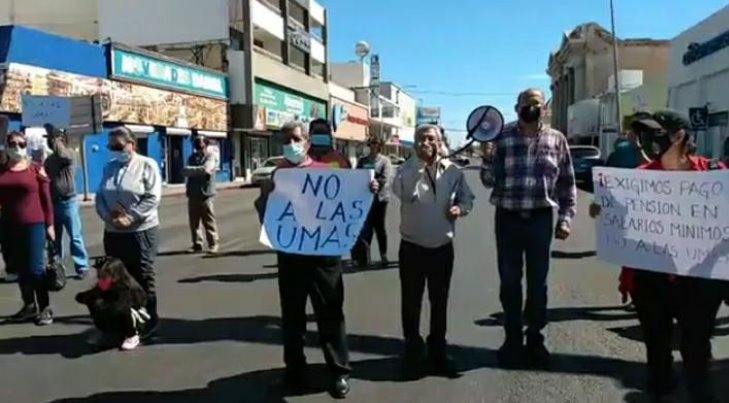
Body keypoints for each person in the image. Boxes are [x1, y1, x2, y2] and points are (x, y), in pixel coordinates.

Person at [594, 110, 725, 402]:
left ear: (679, 136)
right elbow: (619, 224)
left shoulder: (714, 174)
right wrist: (604, 212)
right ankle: (661, 387)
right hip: (650, 278)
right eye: (645, 133)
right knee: (657, 348)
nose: (649, 140)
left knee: (696, 348)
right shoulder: (639, 179)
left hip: (699, 280)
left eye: (656, 133)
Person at [254, 121, 378, 399]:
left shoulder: (329, 172)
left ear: (307, 142)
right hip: (291, 258)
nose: (291, 144)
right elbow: (266, 217)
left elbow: (348, 202)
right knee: (292, 319)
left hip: (324, 257)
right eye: (286, 140)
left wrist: (366, 189)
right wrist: (265, 195)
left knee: (330, 315)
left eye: (296, 138)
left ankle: (339, 373)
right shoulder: (278, 175)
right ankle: (295, 373)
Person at [480, 88, 576, 369]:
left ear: (543, 108)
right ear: (516, 107)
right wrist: (487, 157)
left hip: (540, 219)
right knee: (509, 283)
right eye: (526, 103)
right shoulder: (503, 137)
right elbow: (488, 181)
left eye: (536, 103)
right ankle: (512, 340)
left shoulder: (556, 139)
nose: (531, 107)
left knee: (538, 284)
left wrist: (566, 219)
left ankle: (535, 339)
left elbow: (567, 183)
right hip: (508, 217)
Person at [393, 124, 474, 377]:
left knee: (439, 303)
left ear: (440, 143)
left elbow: (467, 198)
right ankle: (412, 350)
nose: (425, 143)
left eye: (430, 139)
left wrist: (460, 209)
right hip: (412, 248)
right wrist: (419, 166)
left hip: (441, 248)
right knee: (411, 302)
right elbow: (404, 195)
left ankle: (438, 350)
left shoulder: (452, 171)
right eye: (421, 139)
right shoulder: (405, 170)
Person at [95, 127, 162, 350]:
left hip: (140, 231)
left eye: (119, 146)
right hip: (114, 232)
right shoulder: (109, 167)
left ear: (131, 144)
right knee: (112, 281)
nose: (115, 150)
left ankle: (145, 325)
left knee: (141, 279)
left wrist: (132, 217)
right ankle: (117, 327)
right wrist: (107, 217)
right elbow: (100, 196)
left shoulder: (146, 164)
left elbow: (153, 196)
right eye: (111, 147)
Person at [0, 132, 55, 325]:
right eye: (12, 143)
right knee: (19, 269)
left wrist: (50, 225)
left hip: (34, 225)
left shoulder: (35, 169)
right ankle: (29, 306)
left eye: (21, 144)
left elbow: (46, 200)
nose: (17, 147)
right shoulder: (1, 170)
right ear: (6, 145)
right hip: (8, 226)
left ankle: (45, 307)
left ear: (26, 146)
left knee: (35, 269)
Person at [44, 124, 90, 279]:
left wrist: (54, 135)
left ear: (61, 139)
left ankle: (82, 266)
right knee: (54, 238)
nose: (50, 142)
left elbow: (61, 153)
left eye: (52, 140)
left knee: (75, 236)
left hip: (68, 202)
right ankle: (57, 267)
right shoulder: (49, 160)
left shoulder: (69, 154)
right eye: (49, 140)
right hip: (53, 202)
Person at [352, 136, 394, 267]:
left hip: (380, 199)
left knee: (380, 227)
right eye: (371, 145)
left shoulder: (385, 161)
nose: (374, 147)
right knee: (366, 228)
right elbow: (357, 176)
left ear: (380, 146)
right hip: (365, 198)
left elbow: (385, 177)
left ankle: (383, 255)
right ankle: (364, 256)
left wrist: (376, 182)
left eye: (376, 145)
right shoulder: (363, 161)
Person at [183, 135, 220, 254]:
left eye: (201, 146)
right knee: (194, 222)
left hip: (206, 194)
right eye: (197, 147)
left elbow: (206, 169)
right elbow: (185, 171)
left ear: (206, 146)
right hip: (193, 194)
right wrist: (198, 171)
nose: (199, 149)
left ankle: (213, 243)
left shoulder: (211, 157)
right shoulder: (191, 158)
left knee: (208, 220)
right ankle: (197, 243)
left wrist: (193, 171)